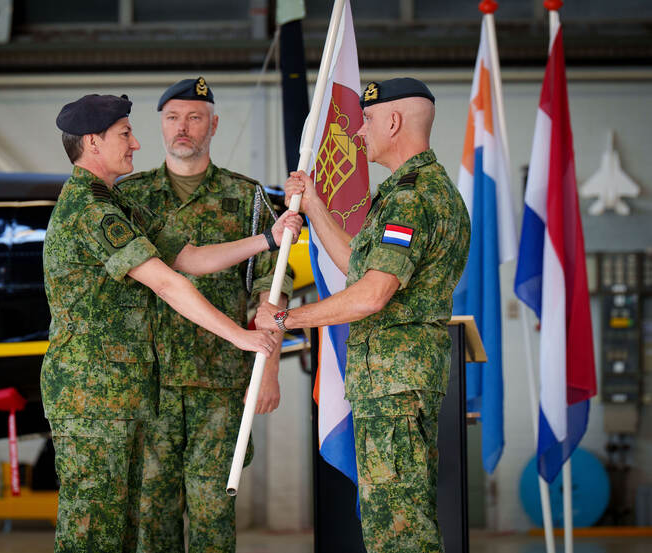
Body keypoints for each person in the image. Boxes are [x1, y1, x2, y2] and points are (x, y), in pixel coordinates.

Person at [41, 93, 300, 553]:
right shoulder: (91, 211)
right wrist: (241, 337)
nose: (136, 143)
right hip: (92, 399)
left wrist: (266, 237)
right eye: (124, 133)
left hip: (120, 397)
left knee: (121, 533)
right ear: (92, 142)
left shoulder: (114, 204)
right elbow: (167, 283)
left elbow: (189, 259)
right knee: (92, 534)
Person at [255, 78, 471, 553]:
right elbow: (360, 262)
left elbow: (371, 294)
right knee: (393, 521)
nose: (359, 132)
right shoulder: (417, 191)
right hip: (393, 383)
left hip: (394, 386)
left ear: (394, 122)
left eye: (368, 120)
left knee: (399, 531)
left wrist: (286, 320)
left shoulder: (411, 198)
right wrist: (313, 205)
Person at [117, 77, 294, 553]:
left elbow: (271, 289)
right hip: (148, 382)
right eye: (173, 117)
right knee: (151, 516)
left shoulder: (248, 196)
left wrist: (270, 368)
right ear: (160, 126)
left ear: (213, 125)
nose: (183, 128)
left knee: (214, 513)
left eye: (195, 117)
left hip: (221, 379)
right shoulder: (129, 197)